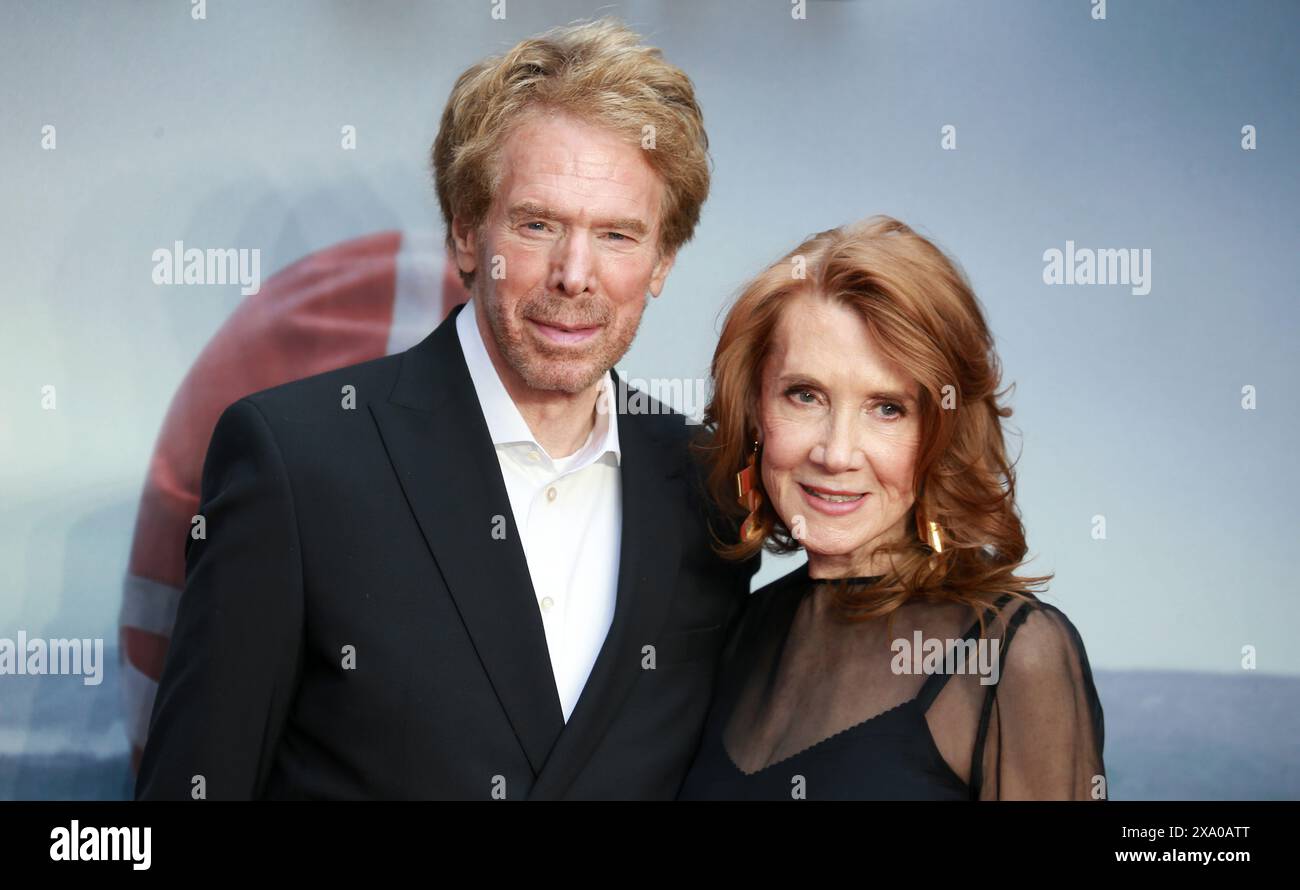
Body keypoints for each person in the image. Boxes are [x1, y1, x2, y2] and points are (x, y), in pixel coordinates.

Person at [135, 17, 756, 800]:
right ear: (466, 233)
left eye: (618, 235)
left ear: (663, 259)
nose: (575, 274)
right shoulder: (297, 464)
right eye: (538, 225)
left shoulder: (708, 484)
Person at [678, 216, 1106, 800]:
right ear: (755, 409)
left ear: (943, 429)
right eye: (805, 395)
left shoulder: (1008, 654)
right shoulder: (735, 633)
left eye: (887, 408)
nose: (836, 452)